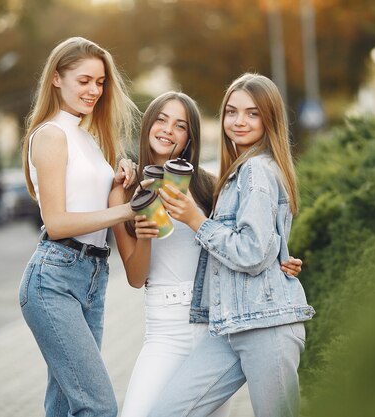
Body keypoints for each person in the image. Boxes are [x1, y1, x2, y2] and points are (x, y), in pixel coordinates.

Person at [108, 91, 304, 417]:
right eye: (161, 119)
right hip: (165, 327)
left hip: (216, 320)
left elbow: (246, 240)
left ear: (189, 138)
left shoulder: (211, 186)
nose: (168, 130)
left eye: (180, 125)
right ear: (146, 126)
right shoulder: (125, 189)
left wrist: (280, 260)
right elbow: (135, 277)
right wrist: (144, 234)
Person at [18, 37, 139, 417]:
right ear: (56, 78)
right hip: (54, 278)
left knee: (65, 404)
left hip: (93, 276)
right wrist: (126, 212)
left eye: (100, 82)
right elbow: (55, 223)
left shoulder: (87, 137)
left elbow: (92, 203)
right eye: (84, 80)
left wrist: (119, 185)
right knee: (98, 406)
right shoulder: (52, 135)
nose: (94, 91)